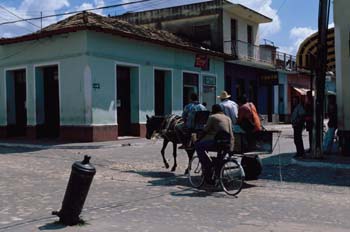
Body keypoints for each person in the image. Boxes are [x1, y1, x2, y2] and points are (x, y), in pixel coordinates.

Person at [194, 104, 234, 182]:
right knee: (219, 160)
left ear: (214, 111)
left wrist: (198, 139)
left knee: (198, 146)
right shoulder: (228, 118)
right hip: (227, 143)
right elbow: (231, 133)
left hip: (216, 142)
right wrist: (231, 147)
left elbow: (205, 130)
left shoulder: (212, 117)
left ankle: (208, 165)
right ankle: (217, 172)